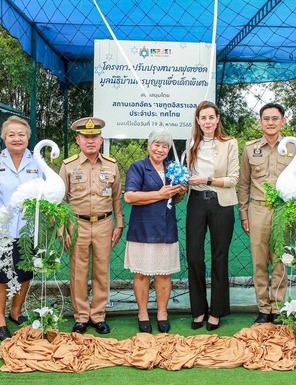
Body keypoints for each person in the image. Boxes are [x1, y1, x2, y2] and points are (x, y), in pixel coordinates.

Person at [0, 116, 43, 341]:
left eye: (21, 134)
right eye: (11, 134)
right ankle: (0, 320)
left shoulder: (37, 162)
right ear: (4, 138)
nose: (16, 138)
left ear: (28, 138)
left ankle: (16, 311)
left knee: (24, 272)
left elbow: (47, 194)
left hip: (27, 228)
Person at [238, 102, 296, 324]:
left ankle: (277, 307)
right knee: (259, 261)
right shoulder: (250, 149)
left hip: (284, 211)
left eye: (275, 118)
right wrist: (244, 214)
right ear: (260, 122)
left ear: (283, 121)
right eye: (266, 118)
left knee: (280, 261)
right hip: (258, 209)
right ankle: (263, 308)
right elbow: (244, 184)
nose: (270, 122)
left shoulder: (293, 148)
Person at [59, 117, 125, 334]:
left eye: (94, 137)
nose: (90, 141)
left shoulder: (111, 165)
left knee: (101, 271)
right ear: (78, 140)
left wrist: (119, 224)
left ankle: (98, 315)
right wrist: (62, 228)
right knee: (78, 271)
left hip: (104, 223)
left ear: (101, 140)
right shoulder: (68, 166)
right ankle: (81, 316)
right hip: (77, 224)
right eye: (85, 137)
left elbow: (117, 197)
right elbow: (60, 200)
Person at [124, 129, 186, 333]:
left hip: (166, 229)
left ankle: (162, 312)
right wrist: (160, 194)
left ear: (169, 149)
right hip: (143, 229)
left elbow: (173, 199)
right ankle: (142, 313)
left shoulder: (173, 168)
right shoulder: (138, 167)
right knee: (142, 275)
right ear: (149, 146)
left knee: (164, 275)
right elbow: (130, 197)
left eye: (165, 146)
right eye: (156, 145)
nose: (160, 149)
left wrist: (180, 193)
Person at [186, 101, 239, 331]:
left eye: (211, 117)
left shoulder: (230, 143)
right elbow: (188, 174)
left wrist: (207, 180)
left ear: (217, 119)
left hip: (221, 203)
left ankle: (216, 311)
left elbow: (233, 179)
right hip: (197, 202)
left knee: (219, 256)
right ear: (198, 121)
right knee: (194, 255)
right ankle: (199, 310)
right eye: (203, 118)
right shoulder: (191, 143)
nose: (207, 122)